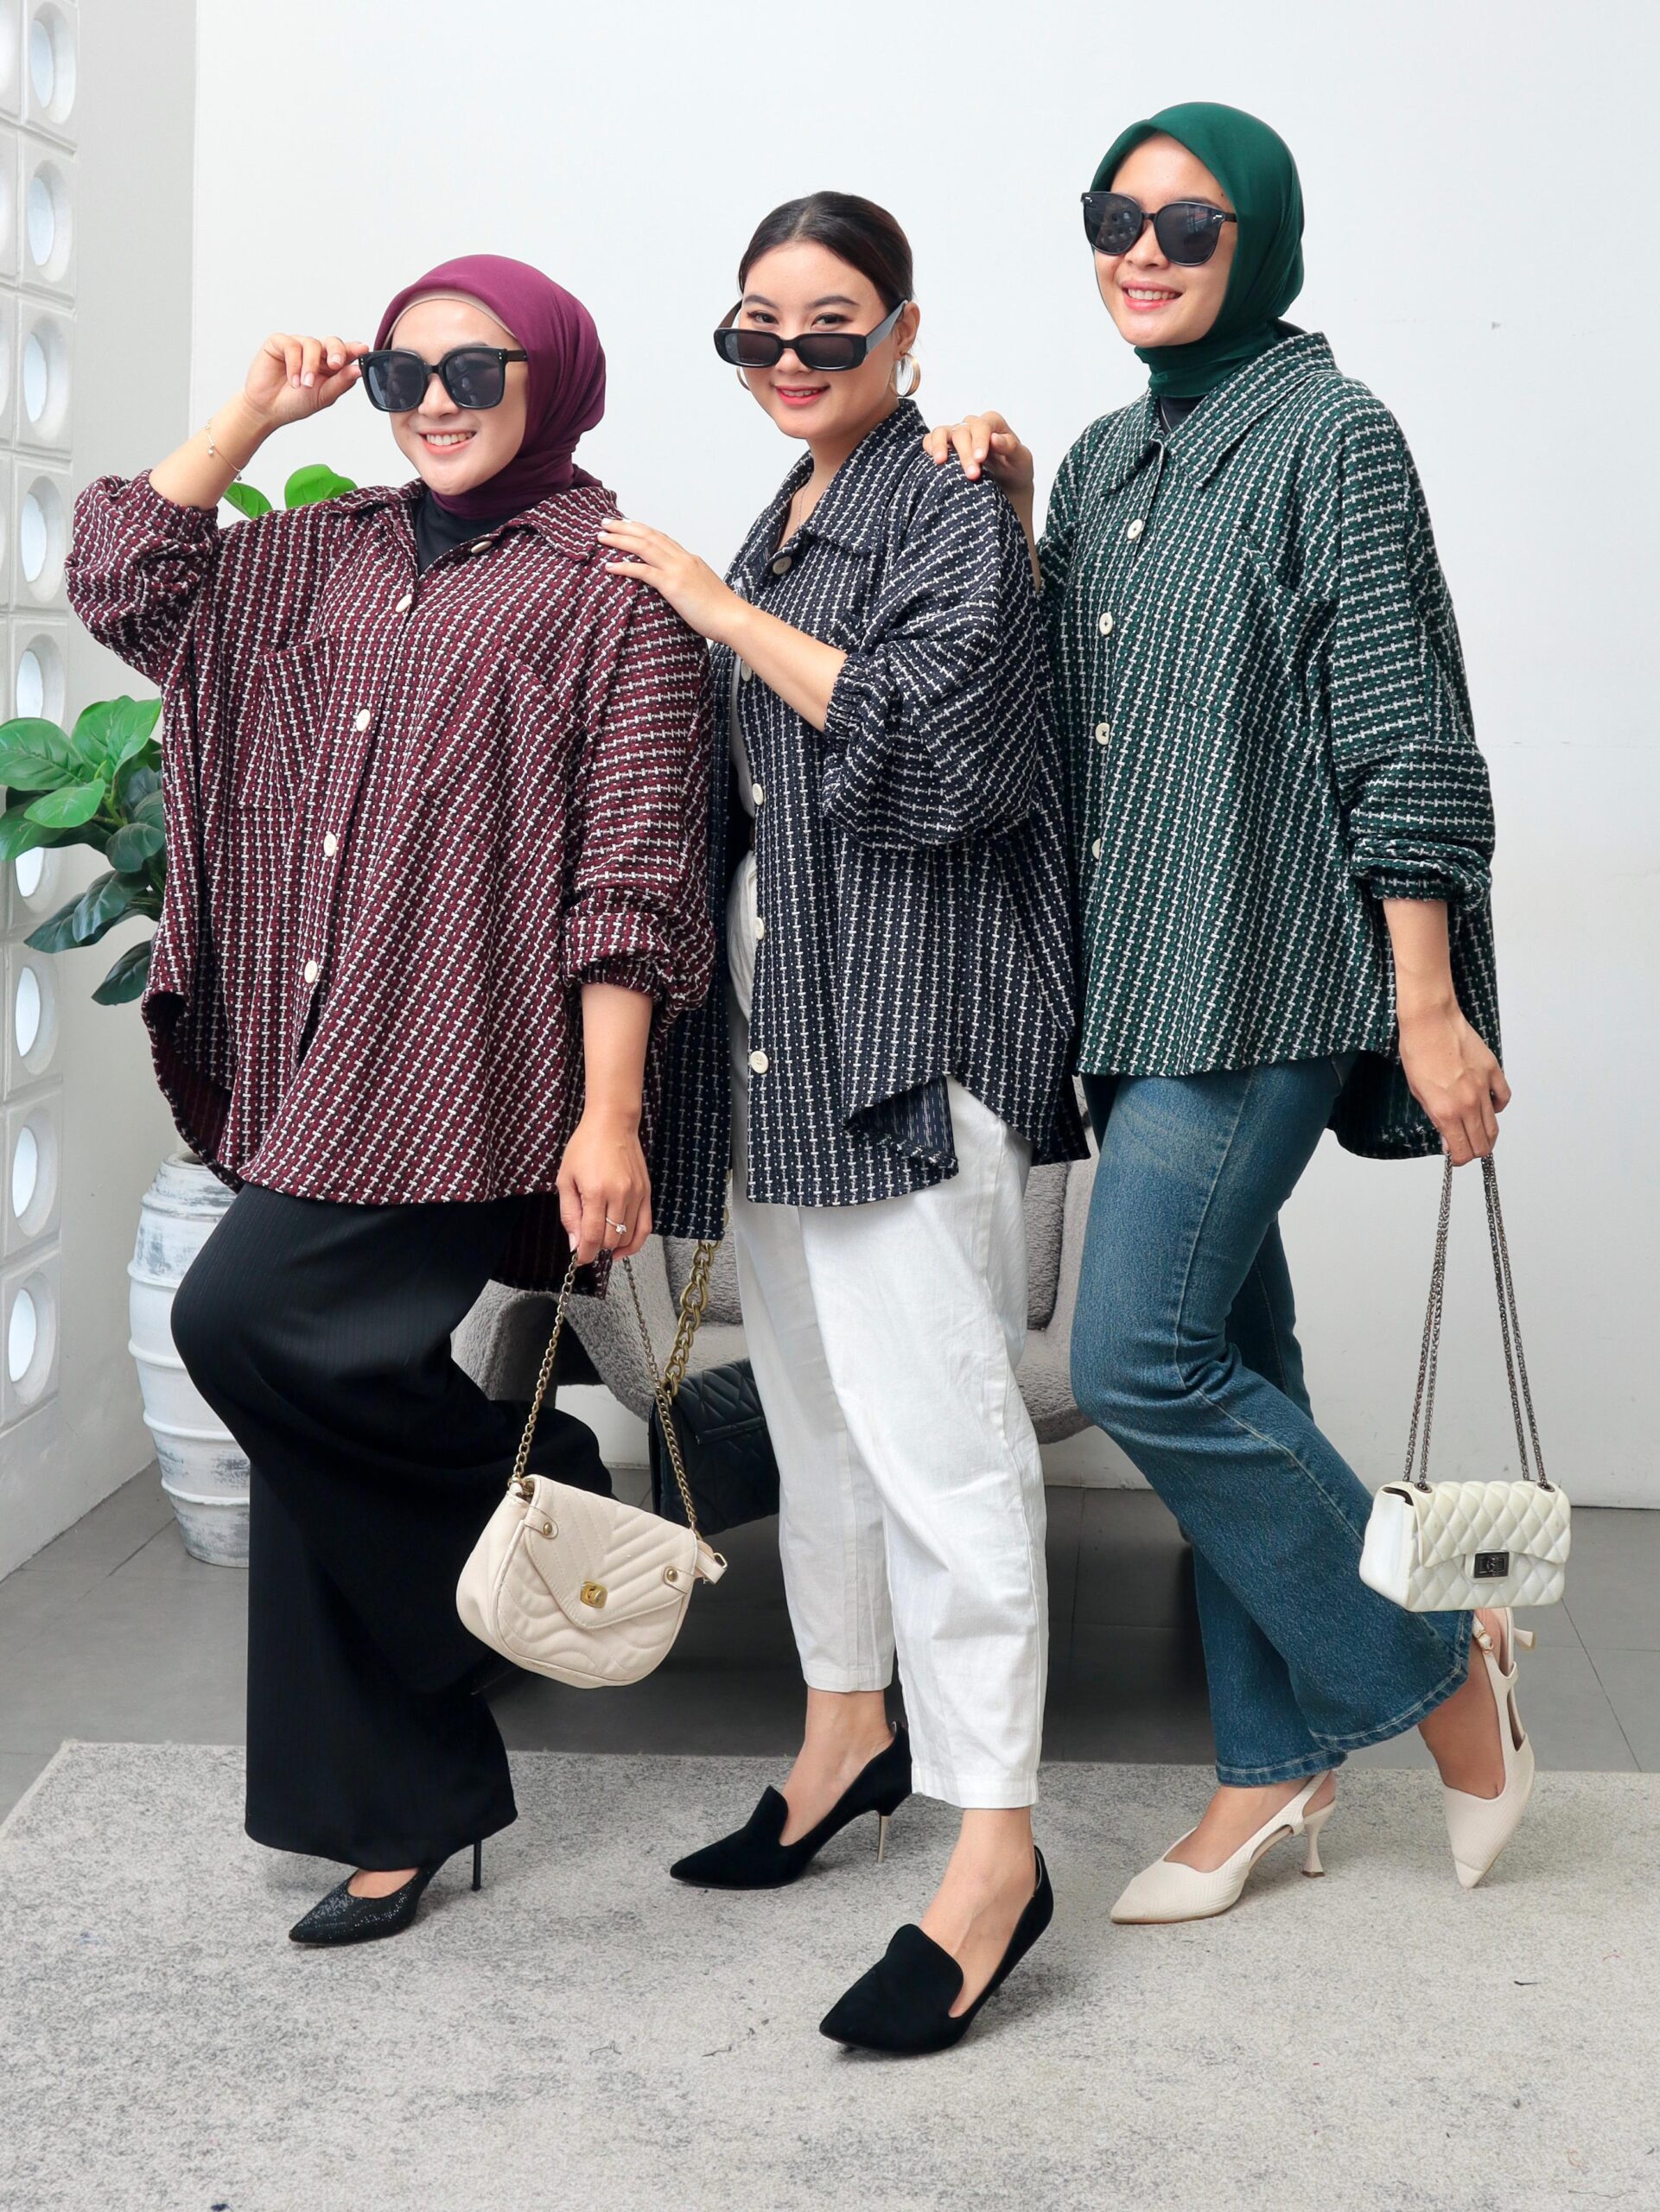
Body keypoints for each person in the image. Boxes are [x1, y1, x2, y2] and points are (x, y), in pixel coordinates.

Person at [925, 104, 1531, 1921]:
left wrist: (1426, 1007)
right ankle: (1271, 1766)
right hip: (1133, 984)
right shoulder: (1110, 451)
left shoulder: (1334, 434)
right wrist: (1015, 520)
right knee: (1239, 1369)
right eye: (1113, 217)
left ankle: (1442, 1662)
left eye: (1186, 225)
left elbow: (1400, 726)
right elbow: (1070, 707)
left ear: (1256, 239)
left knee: (1139, 1362)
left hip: (1268, 973)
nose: (1142, 251)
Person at [67, 256, 714, 1946]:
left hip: (473, 1068)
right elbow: (122, 576)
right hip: (309, 1054)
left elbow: (636, 871)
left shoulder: (616, 588)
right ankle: (398, 1800)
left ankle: (508, 1510)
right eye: (402, 372)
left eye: (474, 369)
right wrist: (252, 415)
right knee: (312, 1414)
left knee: (244, 1323)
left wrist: (610, 1114)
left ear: (552, 378)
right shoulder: (319, 549)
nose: (434, 400)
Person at [604, 192, 1084, 2051]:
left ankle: (994, 1852)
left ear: (902, 334)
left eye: (829, 327)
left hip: (906, 1044)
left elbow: (943, 761)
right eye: (757, 329)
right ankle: (842, 1735)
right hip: (779, 1052)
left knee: (944, 1447)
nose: (789, 358)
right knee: (818, 1428)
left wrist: (714, 610)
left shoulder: (943, 504)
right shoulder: (790, 510)